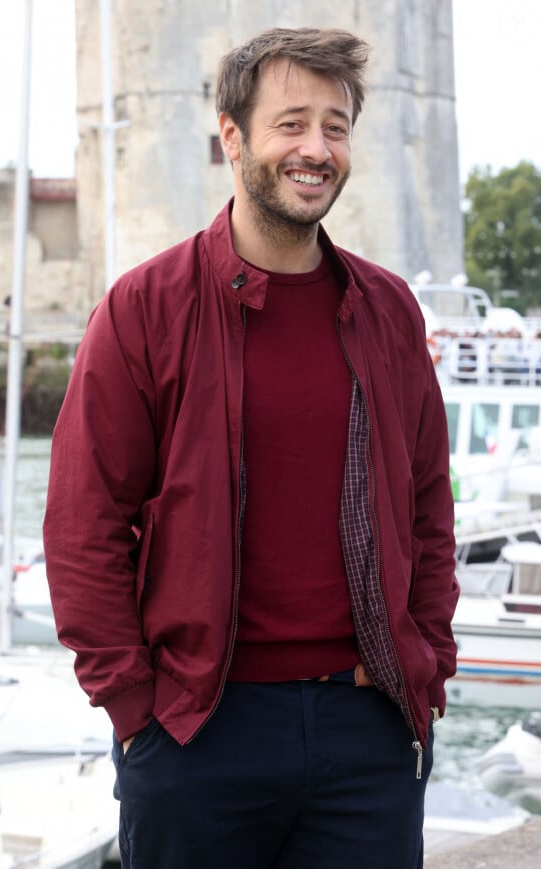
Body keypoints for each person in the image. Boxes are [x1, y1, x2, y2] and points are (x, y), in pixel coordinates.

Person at [43, 26, 459, 869]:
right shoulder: (143, 308)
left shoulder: (389, 310)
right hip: (199, 730)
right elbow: (84, 522)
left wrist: (429, 662)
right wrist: (136, 707)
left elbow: (428, 508)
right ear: (232, 137)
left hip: (367, 728)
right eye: (291, 123)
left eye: (335, 127)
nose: (316, 149)